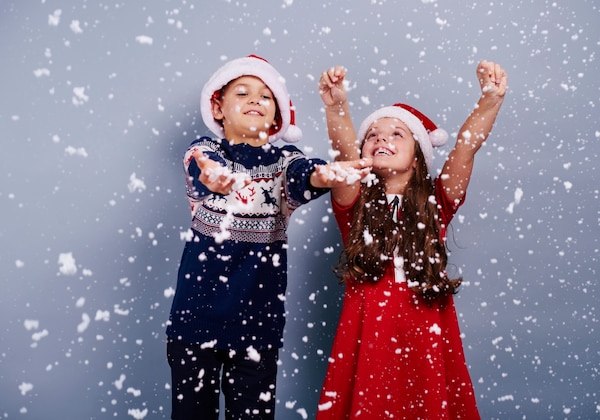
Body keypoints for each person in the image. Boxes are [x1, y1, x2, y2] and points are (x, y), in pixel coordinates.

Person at [166, 55, 371, 420]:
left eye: (265, 96)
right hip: (196, 322)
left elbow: (305, 174)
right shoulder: (206, 151)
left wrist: (327, 174)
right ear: (219, 108)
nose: (254, 100)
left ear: (277, 117)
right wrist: (212, 175)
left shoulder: (284, 161)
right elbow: (202, 163)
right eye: (242, 93)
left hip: (257, 326)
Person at [316, 60, 507, 418]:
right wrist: (337, 107)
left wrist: (489, 102)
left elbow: (465, 150)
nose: (381, 139)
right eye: (372, 135)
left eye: (396, 134)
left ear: (418, 158)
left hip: (427, 338)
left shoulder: (436, 205)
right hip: (368, 339)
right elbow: (344, 155)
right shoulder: (353, 204)